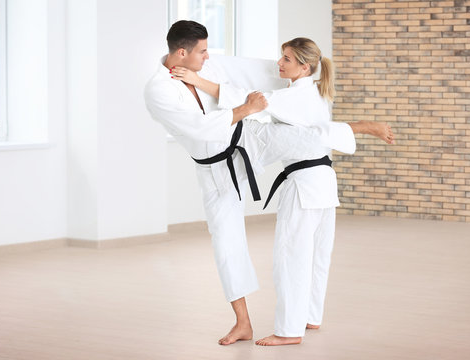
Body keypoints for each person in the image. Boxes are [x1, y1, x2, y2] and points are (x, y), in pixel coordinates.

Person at [144, 21, 362, 346]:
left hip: (247, 137)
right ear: (181, 53)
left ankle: (360, 128)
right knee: (226, 240)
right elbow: (201, 129)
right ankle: (242, 322)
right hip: (215, 166)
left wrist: (307, 74)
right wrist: (246, 107)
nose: (208, 56)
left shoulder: (208, 65)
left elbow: (265, 70)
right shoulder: (158, 90)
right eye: (202, 51)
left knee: (303, 139)